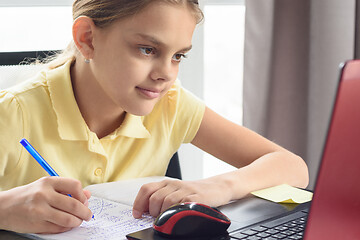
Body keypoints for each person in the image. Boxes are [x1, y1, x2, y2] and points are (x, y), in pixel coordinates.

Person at [0, 0, 309, 235]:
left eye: (178, 55)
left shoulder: (171, 105)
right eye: (147, 49)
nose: (166, 74)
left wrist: (220, 187)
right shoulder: (12, 113)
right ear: (88, 39)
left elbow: (292, 167)